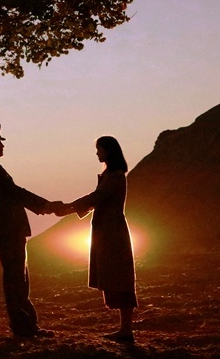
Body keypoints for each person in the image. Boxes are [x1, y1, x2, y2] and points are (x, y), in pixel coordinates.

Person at [0, 123, 55, 340]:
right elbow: (15, 193)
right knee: (16, 281)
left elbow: (14, 194)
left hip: (10, 229)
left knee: (19, 279)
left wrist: (45, 206)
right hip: (9, 230)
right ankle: (24, 328)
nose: (2, 146)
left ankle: (27, 327)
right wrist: (45, 206)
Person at [58, 135, 138, 343]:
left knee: (120, 277)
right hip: (106, 232)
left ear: (108, 151)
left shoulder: (116, 176)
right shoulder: (110, 175)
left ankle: (126, 330)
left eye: (99, 149)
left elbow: (96, 198)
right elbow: (96, 199)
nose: (97, 153)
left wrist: (68, 208)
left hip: (113, 233)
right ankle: (124, 329)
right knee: (114, 276)